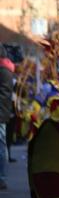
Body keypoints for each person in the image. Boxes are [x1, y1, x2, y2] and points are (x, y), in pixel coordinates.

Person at [0, 45, 14, 190]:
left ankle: (1, 178)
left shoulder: (3, 70)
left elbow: (4, 94)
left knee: (1, 147)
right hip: (2, 112)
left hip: (0, 114)